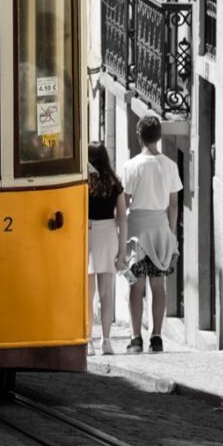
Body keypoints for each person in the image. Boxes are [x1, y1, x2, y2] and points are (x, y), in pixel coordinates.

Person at [122, 115, 182, 354]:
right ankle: (156, 337)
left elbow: (125, 202)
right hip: (160, 229)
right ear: (159, 136)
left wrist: (121, 234)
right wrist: (171, 233)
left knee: (135, 286)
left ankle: (135, 338)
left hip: (136, 228)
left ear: (139, 135)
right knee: (159, 285)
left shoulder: (131, 166)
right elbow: (174, 205)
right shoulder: (170, 165)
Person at [88, 142, 128, 356]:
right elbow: (122, 218)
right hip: (109, 234)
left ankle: (88, 341)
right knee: (106, 293)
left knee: (88, 293)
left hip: (88, 233)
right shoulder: (115, 183)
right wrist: (122, 251)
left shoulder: (83, 183)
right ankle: (106, 340)